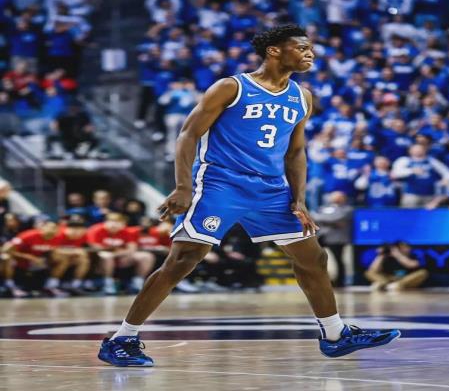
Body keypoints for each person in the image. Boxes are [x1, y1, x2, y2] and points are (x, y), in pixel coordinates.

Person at [98, 24, 400, 367]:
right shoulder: (231, 87)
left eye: (310, 49)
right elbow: (188, 134)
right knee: (184, 258)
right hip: (222, 183)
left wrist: (299, 199)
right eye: (301, 48)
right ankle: (122, 338)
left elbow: (295, 152)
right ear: (274, 50)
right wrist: (183, 186)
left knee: (313, 257)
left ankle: (335, 334)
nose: (310, 53)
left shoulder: (302, 97)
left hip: (271, 189)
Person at [312, 191, 353, 287]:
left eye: (338, 197)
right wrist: (331, 221)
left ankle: (340, 282)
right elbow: (314, 217)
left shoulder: (347, 209)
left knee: (338, 260)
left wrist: (324, 219)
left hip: (337, 239)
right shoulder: (324, 208)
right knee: (318, 259)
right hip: (322, 237)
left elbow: (336, 218)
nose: (335, 199)